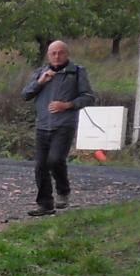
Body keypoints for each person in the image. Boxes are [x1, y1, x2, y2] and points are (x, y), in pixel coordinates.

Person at [22, 39, 95, 216]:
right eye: (53, 53)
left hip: (64, 125)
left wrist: (67, 105)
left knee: (55, 160)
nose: (56, 56)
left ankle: (63, 191)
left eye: (60, 52)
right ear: (48, 55)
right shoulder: (41, 73)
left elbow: (88, 97)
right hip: (43, 125)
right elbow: (25, 95)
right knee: (40, 166)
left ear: (67, 54)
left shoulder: (76, 72)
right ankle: (45, 204)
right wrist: (40, 82)